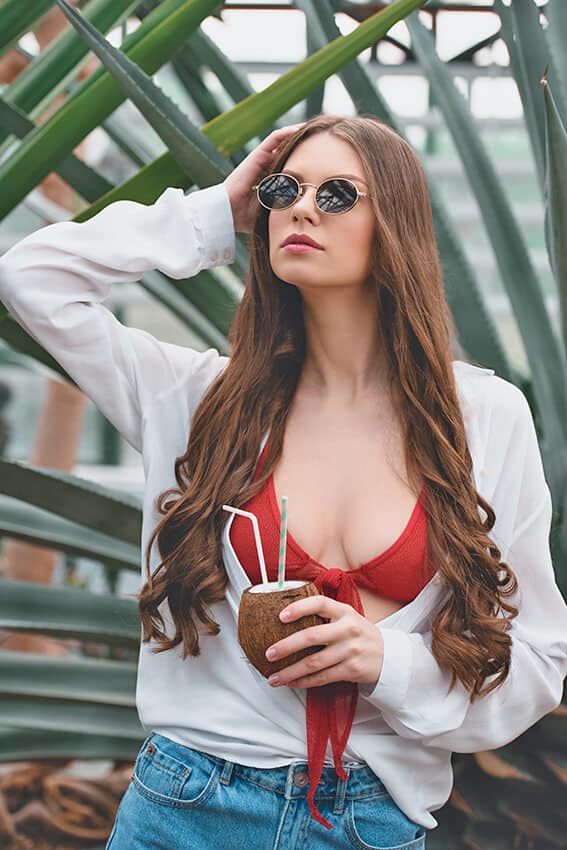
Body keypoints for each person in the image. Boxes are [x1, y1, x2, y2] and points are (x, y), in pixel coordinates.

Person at [1, 113, 566, 850]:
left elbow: (538, 656)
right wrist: (215, 213)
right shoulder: (197, 399)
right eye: (282, 189)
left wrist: (386, 661)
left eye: (336, 195)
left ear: (392, 223)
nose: (300, 207)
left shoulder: (484, 417)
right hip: (186, 806)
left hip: (368, 820)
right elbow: (29, 278)